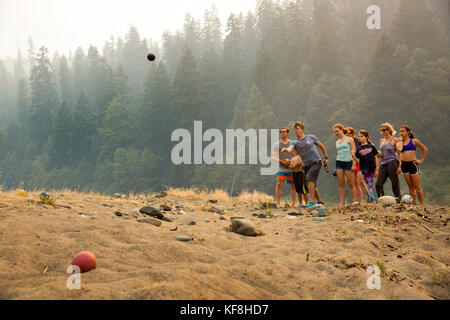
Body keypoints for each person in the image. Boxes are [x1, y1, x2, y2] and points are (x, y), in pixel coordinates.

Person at [281, 121, 329, 208]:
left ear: (302, 130)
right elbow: (290, 148)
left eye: (297, 129)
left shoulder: (311, 137)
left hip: (316, 162)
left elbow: (321, 146)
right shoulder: (295, 142)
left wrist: (326, 158)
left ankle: (312, 202)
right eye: (294, 129)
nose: (295, 131)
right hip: (306, 165)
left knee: (309, 179)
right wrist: (286, 149)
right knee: (311, 183)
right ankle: (319, 201)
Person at [396, 125, 428, 205]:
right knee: (410, 187)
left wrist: (421, 160)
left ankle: (422, 205)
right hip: (404, 165)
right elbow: (399, 152)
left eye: (403, 131)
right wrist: (399, 166)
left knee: (417, 187)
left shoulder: (414, 141)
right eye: (400, 131)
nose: (401, 133)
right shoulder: (399, 142)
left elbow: (425, 149)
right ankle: (414, 204)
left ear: (408, 132)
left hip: (413, 164)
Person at [375, 123, 401, 202]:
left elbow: (400, 154)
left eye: (384, 130)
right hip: (383, 163)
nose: (382, 131)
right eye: (381, 130)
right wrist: (375, 154)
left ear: (389, 130)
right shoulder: (381, 141)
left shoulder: (395, 140)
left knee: (394, 182)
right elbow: (381, 154)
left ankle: (398, 199)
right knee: (378, 184)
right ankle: (381, 199)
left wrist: (400, 166)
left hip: (392, 162)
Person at [333, 124, 357, 205]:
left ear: (342, 130)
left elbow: (354, 152)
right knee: (341, 183)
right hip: (339, 162)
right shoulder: (337, 142)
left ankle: (354, 201)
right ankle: (342, 202)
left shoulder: (349, 139)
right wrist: (336, 168)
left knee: (350, 183)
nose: (336, 133)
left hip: (348, 162)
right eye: (335, 132)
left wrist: (354, 164)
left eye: (337, 131)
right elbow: (338, 153)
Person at [272, 127, 296, 208]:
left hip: (292, 167)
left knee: (293, 185)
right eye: (281, 132)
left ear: (288, 133)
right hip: (282, 167)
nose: (282, 133)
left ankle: (293, 203)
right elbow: (273, 157)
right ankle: (278, 203)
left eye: (284, 132)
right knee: (279, 184)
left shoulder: (292, 143)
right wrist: (280, 161)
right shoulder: (277, 144)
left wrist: (292, 161)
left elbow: (297, 154)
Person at [346, 127, 368, 203]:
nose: (347, 135)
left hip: (359, 162)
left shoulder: (356, 140)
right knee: (356, 183)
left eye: (348, 134)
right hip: (351, 162)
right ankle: (361, 201)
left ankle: (368, 199)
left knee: (362, 181)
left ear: (352, 133)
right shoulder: (347, 142)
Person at [356, 130, 379, 203]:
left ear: (366, 137)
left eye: (361, 136)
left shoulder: (372, 147)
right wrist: (353, 156)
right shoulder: (358, 149)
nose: (359, 138)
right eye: (358, 136)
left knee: (369, 184)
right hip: (363, 169)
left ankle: (370, 200)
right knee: (368, 184)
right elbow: (358, 161)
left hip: (372, 167)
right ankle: (371, 200)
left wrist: (377, 169)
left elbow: (376, 158)